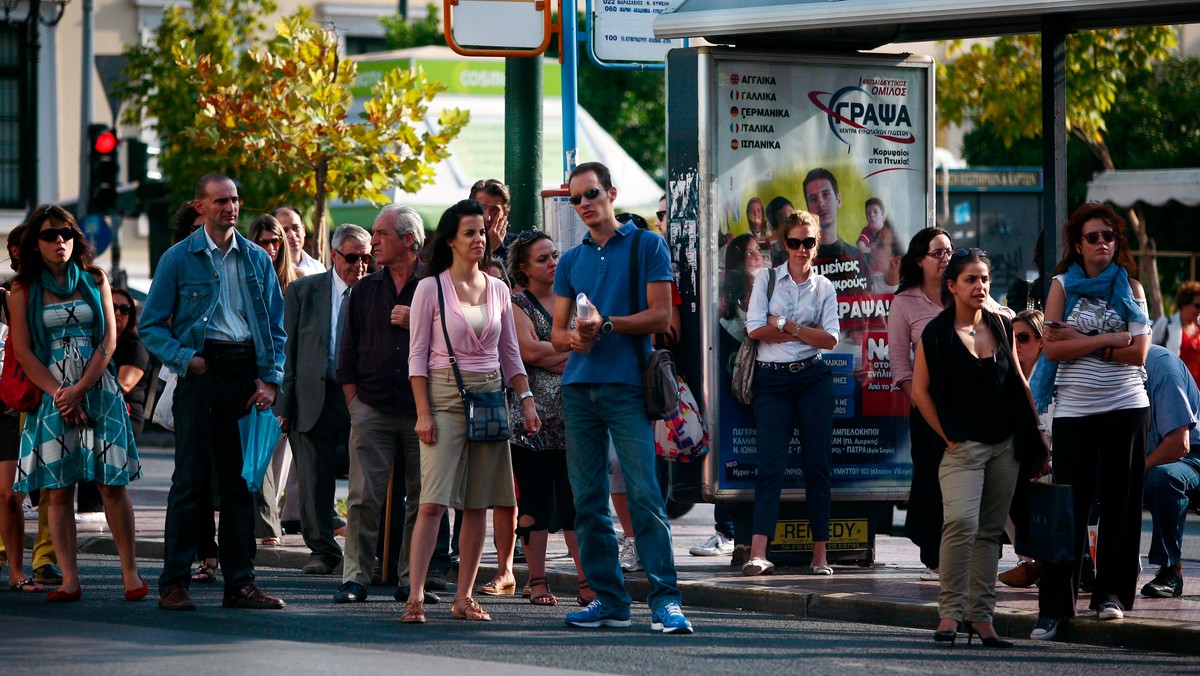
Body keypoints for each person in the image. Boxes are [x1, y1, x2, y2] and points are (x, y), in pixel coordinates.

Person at [551, 161, 693, 634]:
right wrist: (576, 338)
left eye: (591, 194)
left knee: (645, 495)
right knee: (587, 500)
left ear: (611, 192)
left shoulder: (647, 244)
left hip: (628, 386)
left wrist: (606, 324)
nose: (585, 204)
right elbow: (555, 335)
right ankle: (609, 600)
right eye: (576, 199)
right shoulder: (571, 260)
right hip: (578, 387)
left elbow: (660, 318)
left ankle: (665, 600)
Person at [142, 174, 287, 611]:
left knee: (241, 483)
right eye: (222, 200)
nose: (231, 207)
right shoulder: (177, 259)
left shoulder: (257, 259)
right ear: (200, 206)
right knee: (189, 481)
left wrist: (269, 380)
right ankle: (174, 582)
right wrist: (186, 360)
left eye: (236, 200)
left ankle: (240, 582)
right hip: (202, 371)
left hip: (244, 373)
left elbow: (275, 328)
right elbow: (151, 325)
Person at [403, 199, 540, 624]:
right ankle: (416, 596)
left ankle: (464, 597)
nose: (479, 239)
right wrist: (423, 414)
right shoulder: (430, 287)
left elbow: (511, 354)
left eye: (482, 232)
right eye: (470, 233)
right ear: (450, 240)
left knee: (479, 503)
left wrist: (526, 399)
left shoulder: (499, 289)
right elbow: (417, 358)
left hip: (490, 399)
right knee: (432, 502)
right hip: (444, 396)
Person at [9, 204, 144, 602]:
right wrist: (60, 395)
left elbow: (109, 340)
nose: (60, 242)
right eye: (50, 235)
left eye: (66, 233)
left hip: (97, 388)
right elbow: (24, 350)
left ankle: (131, 573)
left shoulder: (94, 278)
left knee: (111, 484)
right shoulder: (23, 290)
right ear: (36, 242)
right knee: (59, 490)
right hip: (52, 393)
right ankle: (70, 579)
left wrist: (80, 389)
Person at [1028, 203, 1151, 639]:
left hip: (1127, 406)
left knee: (1121, 502)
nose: (1102, 243)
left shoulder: (1131, 287)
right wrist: (1109, 338)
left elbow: (1138, 353)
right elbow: (1054, 350)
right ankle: (1056, 607)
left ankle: (1111, 596)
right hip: (1076, 411)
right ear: (1077, 244)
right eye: (1093, 237)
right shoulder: (1061, 286)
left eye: (1109, 236)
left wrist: (1086, 341)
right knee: (1069, 510)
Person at [911, 247, 1043, 648]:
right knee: (961, 524)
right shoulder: (935, 333)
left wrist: (1036, 437)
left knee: (990, 534)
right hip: (960, 449)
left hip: (1005, 446)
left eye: (984, 278)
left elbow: (1020, 381)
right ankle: (950, 615)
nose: (980, 285)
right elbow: (919, 391)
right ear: (951, 286)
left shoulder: (1001, 324)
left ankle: (982, 620)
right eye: (970, 278)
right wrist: (946, 435)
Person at [334, 206, 432, 604]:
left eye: (381, 234)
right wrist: (355, 405)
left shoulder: (436, 286)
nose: (372, 242)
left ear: (408, 240)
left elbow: (459, 340)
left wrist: (419, 320)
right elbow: (346, 355)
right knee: (362, 498)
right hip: (371, 406)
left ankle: (413, 580)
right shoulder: (363, 290)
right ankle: (356, 576)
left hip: (424, 409)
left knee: (423, 499)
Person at [741, 211, 840, 578]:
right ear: (784, 244)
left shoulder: (825, 287)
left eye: (808, 242)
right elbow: (754, 329)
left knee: (818, 465)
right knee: (770, 464)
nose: (801, 249)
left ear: (817, 245)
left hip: (813, 378)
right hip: (772, 380)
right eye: (795, 242)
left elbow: (830, 339)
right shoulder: (767, 279)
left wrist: (783, 324)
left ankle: (820, 554)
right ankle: (758, 553)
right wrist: (804, 332)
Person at [505, 230, 591, 606]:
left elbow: (550, 351)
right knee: (536, 501)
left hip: (576, 413)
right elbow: (528, 353)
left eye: (554, 255)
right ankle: (537, 580)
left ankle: (587, 581)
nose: (553, 263)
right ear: (524, 268)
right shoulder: (517, 303)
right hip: (532, 418)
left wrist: (555, 350)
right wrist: (574, 349)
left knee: (576, 499)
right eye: (542, 259)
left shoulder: (571, 297)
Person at [279, 224, 371, 577]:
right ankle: (321, 549)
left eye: (365, 257)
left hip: (360, 396)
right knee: (314, 479)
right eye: (352, 257)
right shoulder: (304, 291)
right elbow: (289, 350)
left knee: (365, 478)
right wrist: (285, 408)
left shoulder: (374, 291)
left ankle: (364, 549)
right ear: (334, 255)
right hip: (314, 394)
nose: (359, 265)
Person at [887, 227, 953, 580]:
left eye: (949, 252)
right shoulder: (905, 302)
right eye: (937, 253)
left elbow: (999, 318)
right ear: (919, 260)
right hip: (926, 407)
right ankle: (937, 557)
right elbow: (900, 366)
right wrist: (925, 406)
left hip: (969, 407)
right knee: (932, 482)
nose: (945, 259)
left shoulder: (964, 293)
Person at [248, 213, 299, 548]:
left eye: (275, 241)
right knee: (260, 454)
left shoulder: (295, 285)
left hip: (288, 379)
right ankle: (266, 525)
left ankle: (270, 522)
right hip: (255, 379)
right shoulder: (247, 277)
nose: (270, 248)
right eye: (264, 241)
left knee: (278, 460)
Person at [1140, 345, 1200, 599]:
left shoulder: (1160, 366)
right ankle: (1084, 565)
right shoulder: (1101, 368)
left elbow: (1179, 445)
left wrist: (1131, 473)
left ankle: (1170, 571)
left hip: (1192, 456)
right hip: (1149, 456)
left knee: (1163, 478)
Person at [998, 309, 1049, 588]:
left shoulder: (1051, 372)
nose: (1016, 343)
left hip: (1055, 455)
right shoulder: (1011, 374)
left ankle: (1037, 560)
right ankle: (1030, 560)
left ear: (1041, 341)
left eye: (1024, 337)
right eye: (1012, 338)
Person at [803, 168, 868, 299]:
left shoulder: (856, 255)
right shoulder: (801, 259)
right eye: (813, 198)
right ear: (808, 209)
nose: (821, 203)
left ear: (838, 200)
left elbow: (866, 304)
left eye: (826, 194)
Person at [110, 288, 152, 437]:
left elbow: (122, 386)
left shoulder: (135, 347)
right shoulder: (94, 343)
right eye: (112, 306)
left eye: (125, 309)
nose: (117, 313)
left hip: (124, 415)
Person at [1151, 280, 1200, 386]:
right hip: (1174, 386)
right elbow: (1148, 353)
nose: (1199, 310)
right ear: (1184, 303)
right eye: (1197, 305)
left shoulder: (1199, 328)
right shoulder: (1165, 324)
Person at [273, 206, 325, 277]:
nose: (292, 235)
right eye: (285, 230)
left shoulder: (318, 268)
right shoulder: (271, 270)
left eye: (295, 228)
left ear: (303, 230)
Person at [868, 226, 902, 295]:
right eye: (874, 241)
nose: (872, 246)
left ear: (895, 262)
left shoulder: (911, 292)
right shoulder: (870, 286)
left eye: (880, 245)